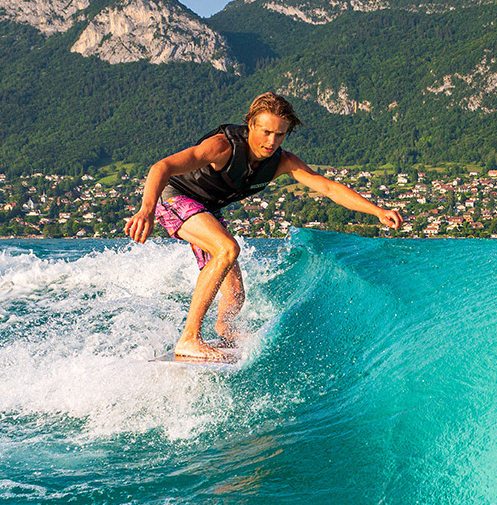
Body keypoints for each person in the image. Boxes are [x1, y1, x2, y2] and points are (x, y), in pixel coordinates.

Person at [124, 92, 403, 360]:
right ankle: (189, 338)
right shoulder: (223, 146)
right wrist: (146, 210)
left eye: (280, 134)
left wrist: (377, 211)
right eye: (266, 132)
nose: (272, 141)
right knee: (227, 249)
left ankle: (224, 329)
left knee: (234, 294)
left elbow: (328, 188)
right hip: (173, 196)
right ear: (250, 126)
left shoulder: (282, 162)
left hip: (206, 209)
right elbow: (162, 167)